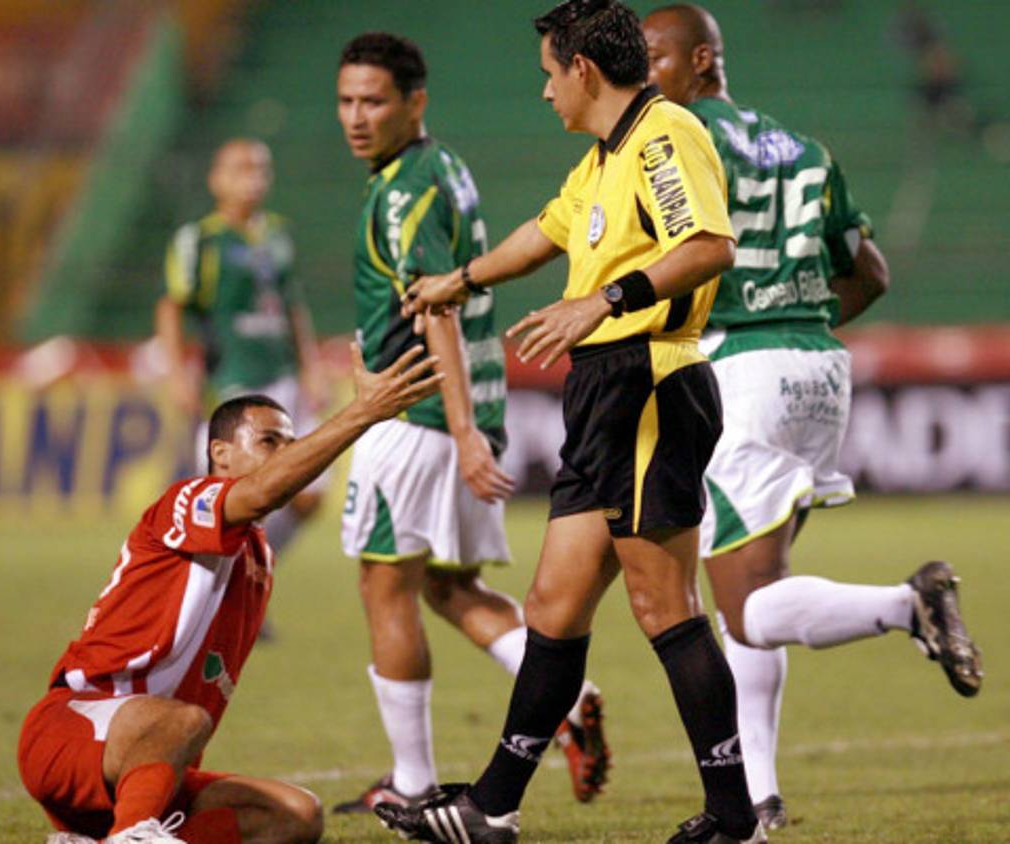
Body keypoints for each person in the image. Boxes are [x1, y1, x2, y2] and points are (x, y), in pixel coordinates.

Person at [382, 2, 764, 841]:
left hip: (650, 380)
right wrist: (463, 280)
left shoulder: (665, 133)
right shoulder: (604, 159)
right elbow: (545, 233)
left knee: (664, 605)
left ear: (583, 69)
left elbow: (706, 244)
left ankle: (736, 817)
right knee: (552, 606)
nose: (546, 91)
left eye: (550, 74)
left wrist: (604, 299)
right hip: (604, 390)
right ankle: (491, 809)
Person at [641, 3, 984, 830]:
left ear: (700, 62)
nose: (639, 74)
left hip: (739, 371)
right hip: (818, 370)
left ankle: (909, 605)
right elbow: (870, 271)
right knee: (763, 596)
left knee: (743, 609)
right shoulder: (804, 149)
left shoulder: (677, 142)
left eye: (652, 57)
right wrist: (794, 313)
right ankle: (758, 795)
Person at [331, 31, 610, 814]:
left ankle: (413, 783)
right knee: (451, 587)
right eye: (347, 100)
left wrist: (455, 431)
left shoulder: (401, 193)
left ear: (414, 102)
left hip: (415, 410)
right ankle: (571, 694)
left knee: (384, 588)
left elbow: (437, 308)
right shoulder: (437, 167)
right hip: (462, 409)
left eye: (374, 101)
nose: (356, 117)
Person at [17, 342, 444, 844]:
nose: (285, 455)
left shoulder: (259, 556)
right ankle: (133, 833)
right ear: (220, 452)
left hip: (144, 763)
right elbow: (264, 492)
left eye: (291, 443)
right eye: (270, 442)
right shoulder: (185, 501)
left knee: (297, 815)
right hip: (70, 730)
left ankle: (102, 835)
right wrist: (363, 412)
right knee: (183, 719)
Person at [156, 138, 327, 564]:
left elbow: (292, 307)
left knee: (312, 493)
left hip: (284, 376)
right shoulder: (200, 240)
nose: (253, 178)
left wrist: (311, 366)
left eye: (260, 169)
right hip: (233, 382)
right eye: (240, 169)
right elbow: (172, 307)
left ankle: (253, 570)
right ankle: (212, 590)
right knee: (232, 499)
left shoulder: (278, 233)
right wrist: (177, 374)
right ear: (216, 180)